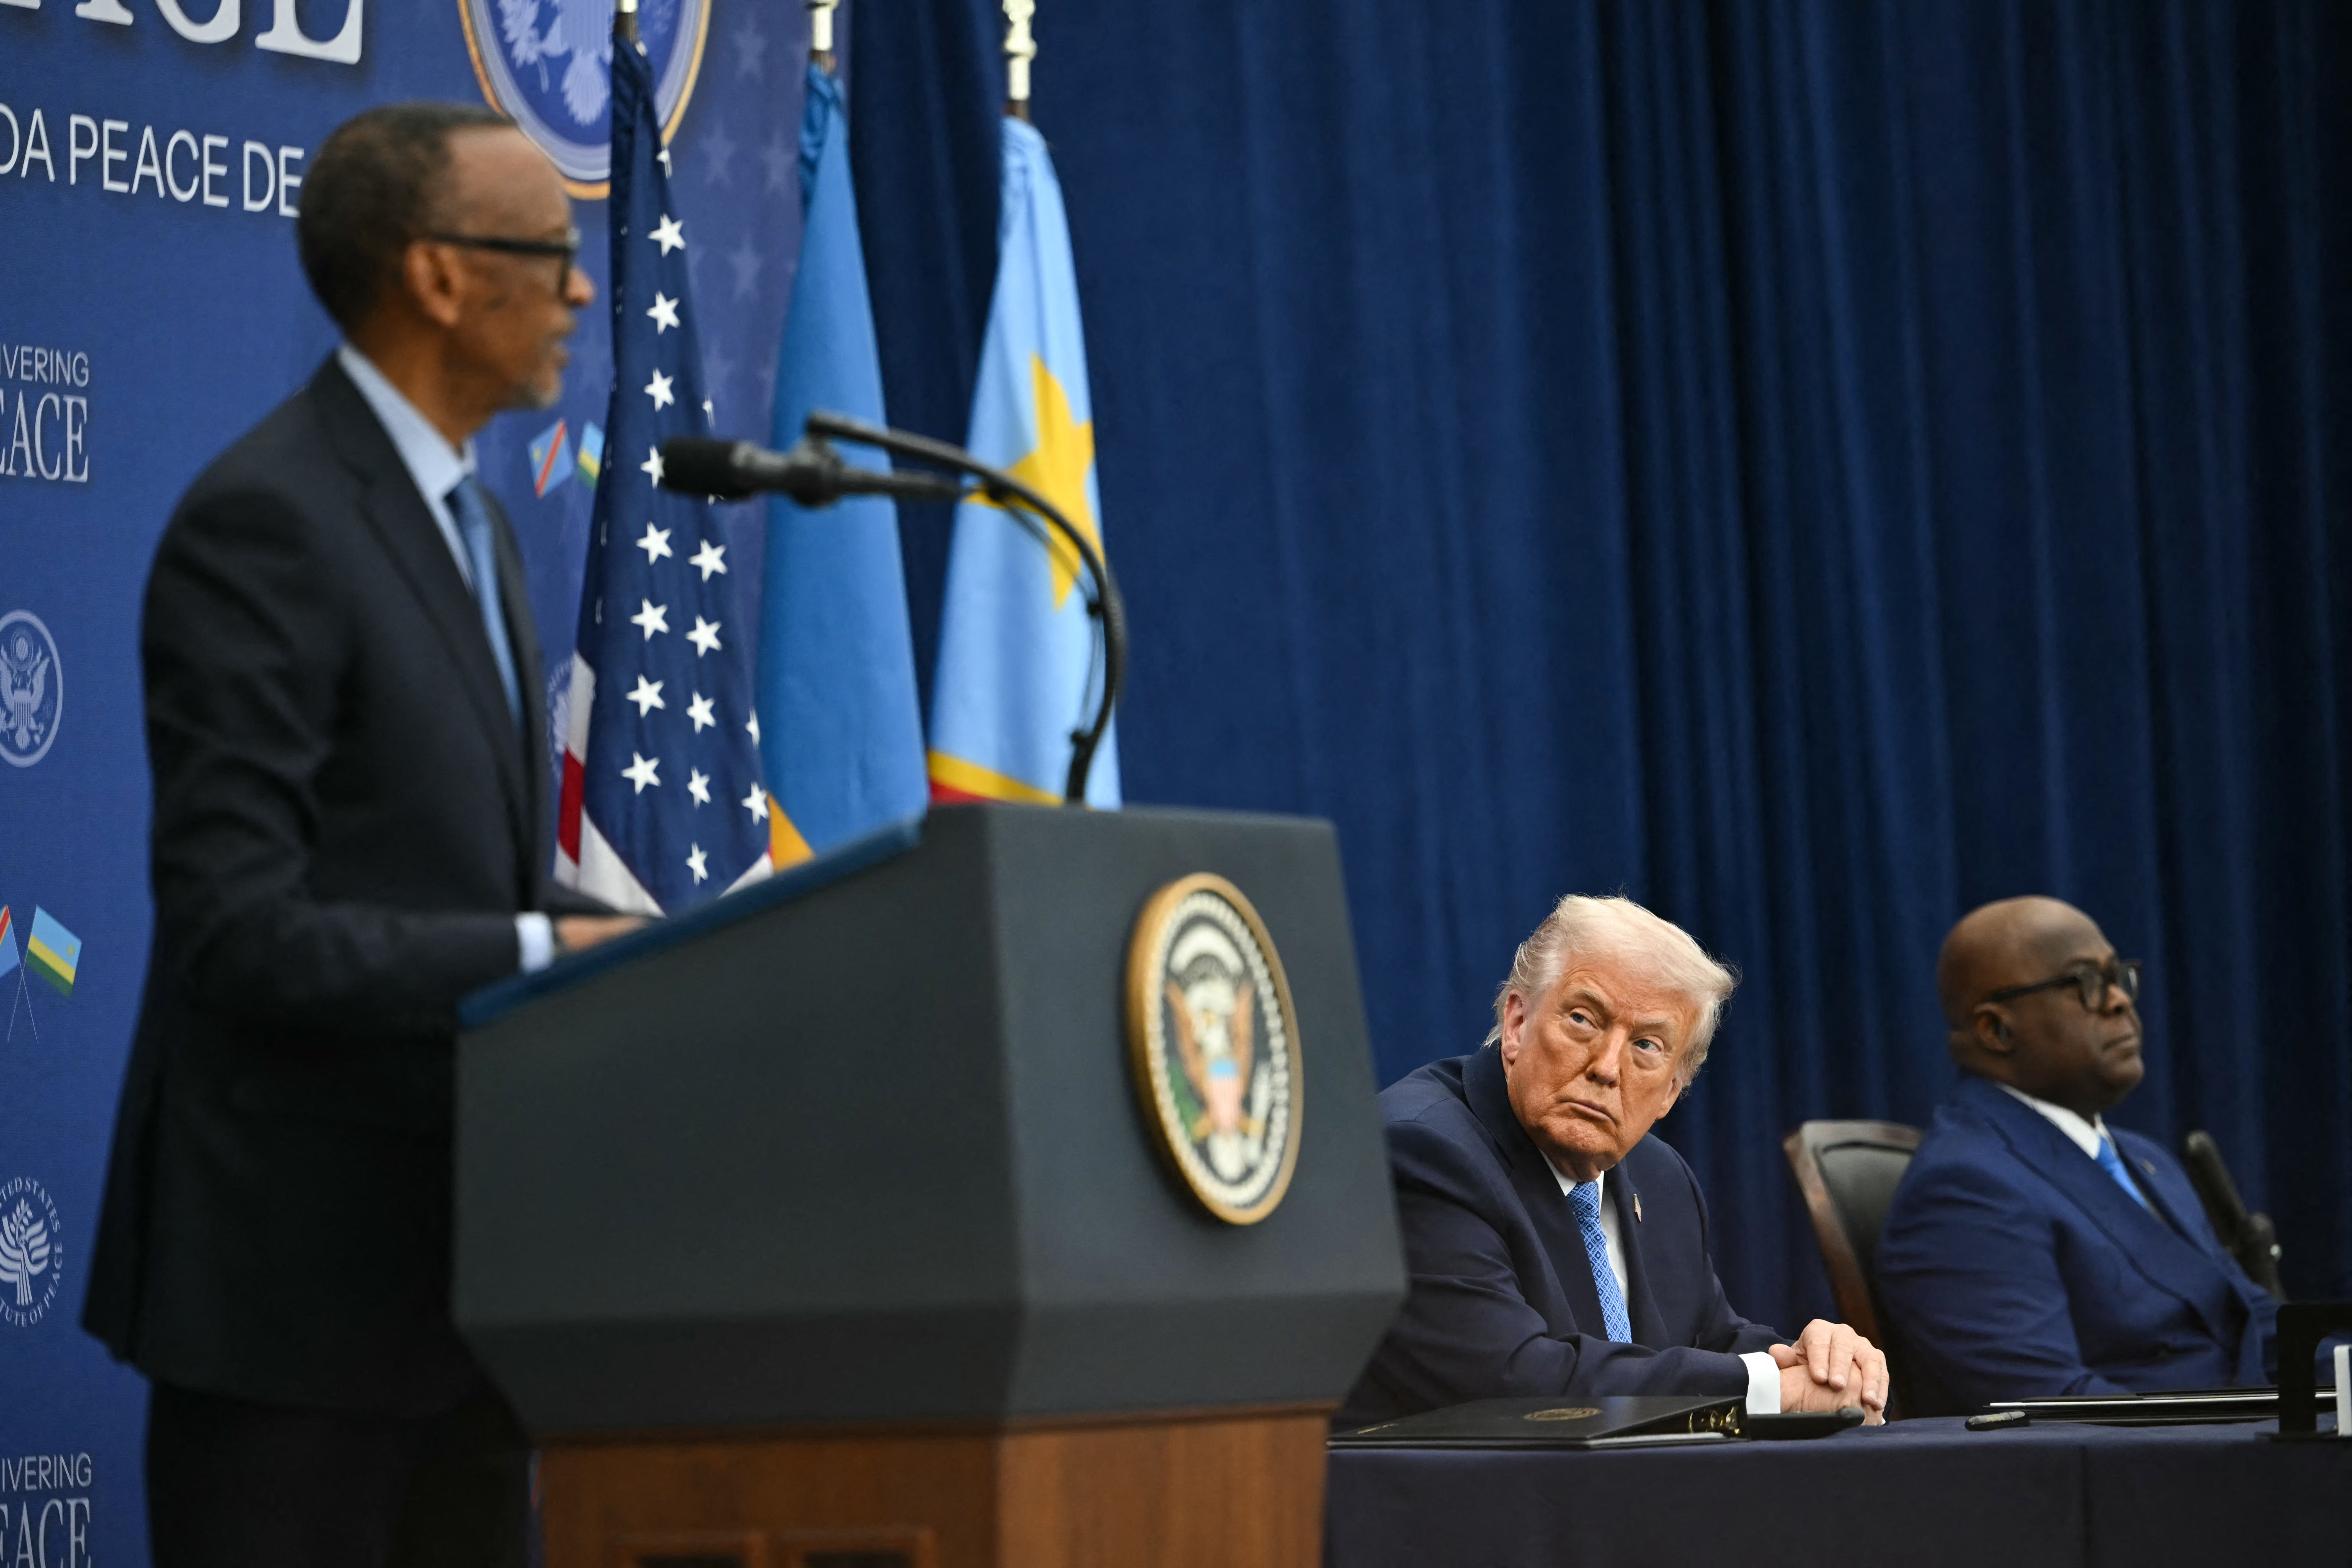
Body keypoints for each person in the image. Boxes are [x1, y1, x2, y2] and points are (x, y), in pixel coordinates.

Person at [81, 103, 643, 1568]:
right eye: (550, 253)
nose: (581, 290)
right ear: (439, 276)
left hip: (466, 1296)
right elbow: (238, 929)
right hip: (293, 1313)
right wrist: (545, 952)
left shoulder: (479, 524)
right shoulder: (265, 522)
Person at [1338, 895, 1888, 1427]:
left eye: (1646, 1046)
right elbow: (1519, 1383)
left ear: (1673, 1090)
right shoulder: (1424, 1153)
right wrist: (1768, 1387)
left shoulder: (1660, 1176)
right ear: (1517, 1024)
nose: (1606, 1067)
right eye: (1583, 1019)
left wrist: (1817, 1361)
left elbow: (1709, 1340)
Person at [1874, 896, 2278, 1415]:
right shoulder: (1965, 1188)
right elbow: (2053, 1406)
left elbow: (2258, 1328)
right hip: (2158, 1476)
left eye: (2118, 977)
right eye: (2085, 983)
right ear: (1996, 1029)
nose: (2118, 1002)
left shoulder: (2145, 1158)